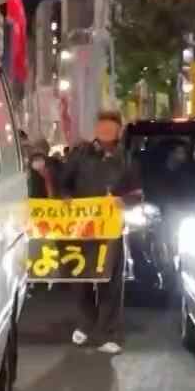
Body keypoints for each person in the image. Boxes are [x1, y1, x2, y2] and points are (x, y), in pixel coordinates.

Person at [55, 111, 143, 354]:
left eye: (110, 127)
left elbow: (138, 194)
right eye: (101, 126)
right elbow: (63, 183)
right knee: (81, 277)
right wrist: (66, 197)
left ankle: (109, 332)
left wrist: (123, 201)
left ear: (118, 131)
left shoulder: (127, 160)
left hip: (111, 230)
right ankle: (86, 323)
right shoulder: (80, 155)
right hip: (80, 229)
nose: (104, 131)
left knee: (110, 281)